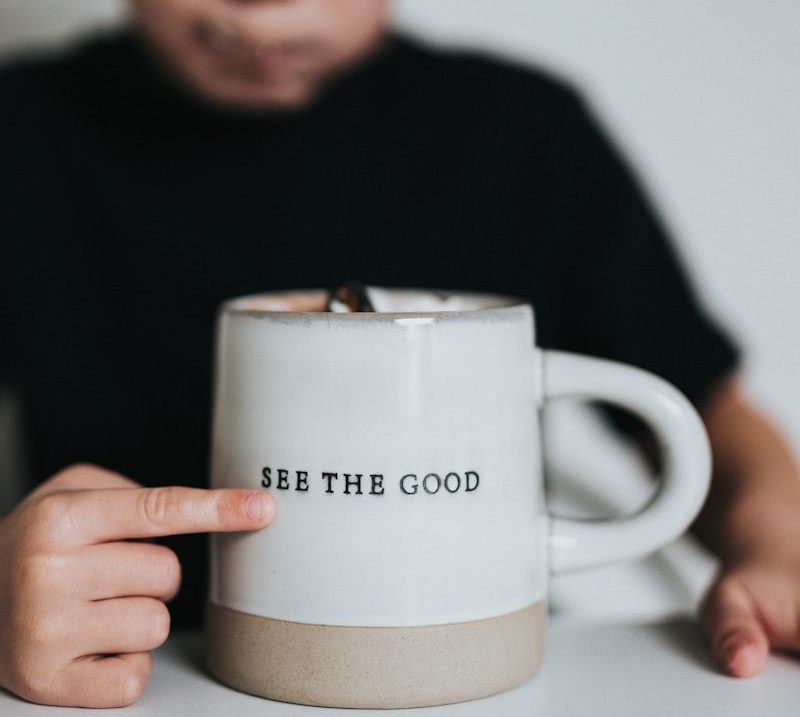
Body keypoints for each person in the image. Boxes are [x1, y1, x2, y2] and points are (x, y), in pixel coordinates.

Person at [0, 0, 798, 707]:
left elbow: (703, 409)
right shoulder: (23, 129)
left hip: (493, 680)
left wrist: (781, 548)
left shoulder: (522, 131)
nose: (269, 5)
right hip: (129, 677)